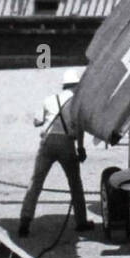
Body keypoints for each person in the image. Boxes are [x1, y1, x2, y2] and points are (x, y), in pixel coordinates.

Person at [18, 67, 91, 238]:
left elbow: (37, 122)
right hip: (67, 143)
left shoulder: (49, 99)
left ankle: (25, 221)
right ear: (76, 85)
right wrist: (80, 148)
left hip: (47, 142)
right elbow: (80, 128)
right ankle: (81, 222)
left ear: (64, 85)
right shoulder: (78, 103)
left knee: (36, 182)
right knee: (75, 184)